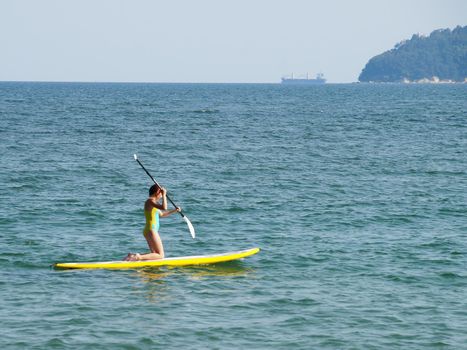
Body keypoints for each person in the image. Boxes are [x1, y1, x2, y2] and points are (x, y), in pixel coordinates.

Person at [124, 184, 180, 261]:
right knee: (160, 255)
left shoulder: (153, 203)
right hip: (151, 230)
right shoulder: (150, 201)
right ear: (158, 192)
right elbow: (164, 207)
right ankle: (138, 257)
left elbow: (162, 214)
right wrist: (164, 195)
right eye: (161, 193)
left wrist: (174, 211)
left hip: (149, 230)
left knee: (154, 254)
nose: (161, 195)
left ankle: (132, 256)